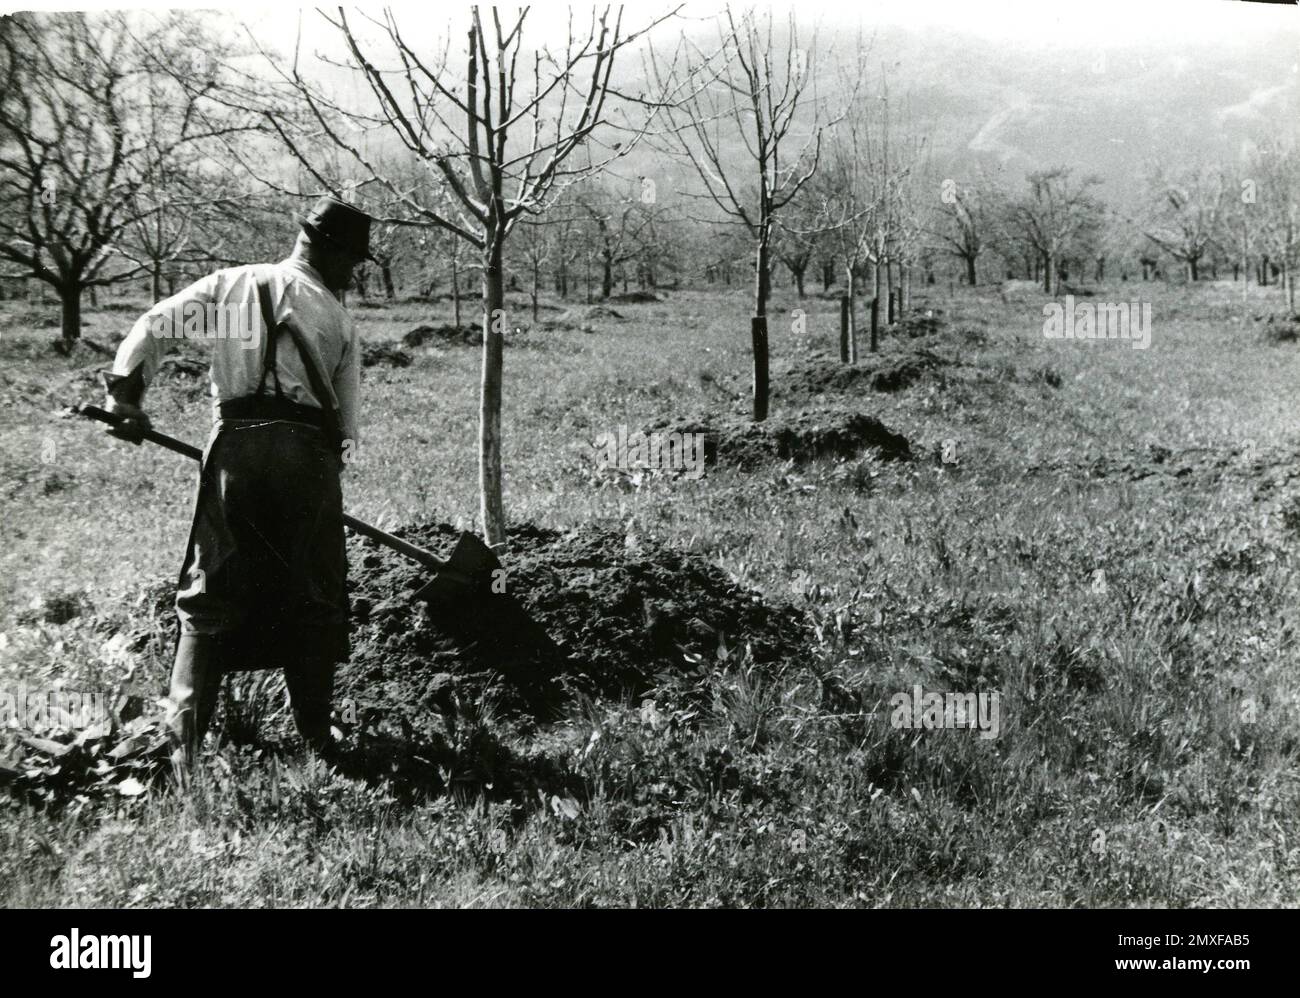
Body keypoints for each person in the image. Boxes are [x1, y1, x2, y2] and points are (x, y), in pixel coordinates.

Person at [104, 195, 373, 777]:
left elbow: (152, 328)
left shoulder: (230, 286)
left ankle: (184, 754)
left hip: (234, 449)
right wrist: (323, 484)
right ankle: (318, 746)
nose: (351, 275)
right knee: (313, 595)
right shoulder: (338, 318)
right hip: (308, 459)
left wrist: (124, 401)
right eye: (351, 262)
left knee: (209, 595)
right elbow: (347, 430)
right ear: (325, 250)